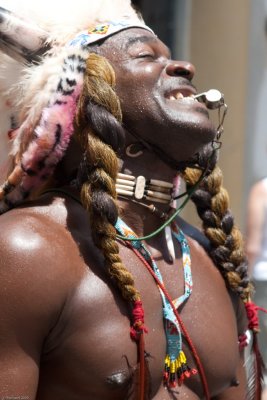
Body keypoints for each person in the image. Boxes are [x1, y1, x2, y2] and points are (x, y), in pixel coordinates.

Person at [0, 1, 261, 399]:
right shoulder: (28, 249)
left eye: (171, 57)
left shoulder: (210, 258)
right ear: (85, 102)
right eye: (145, 56)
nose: (184, 68)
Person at [246, 178, 267, 400]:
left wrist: (242, 287)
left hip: (264, 283)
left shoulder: (262, 190)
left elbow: (252, 247)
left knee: (264, 370)